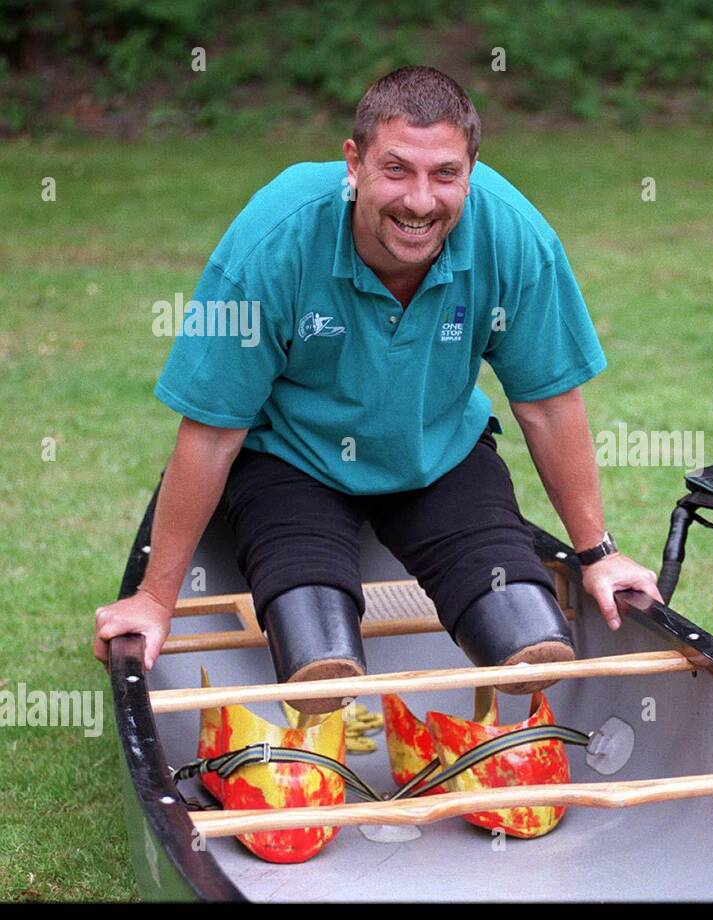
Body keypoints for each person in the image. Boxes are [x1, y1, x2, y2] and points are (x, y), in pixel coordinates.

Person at [93, 66, 661, 708]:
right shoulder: (274, 238)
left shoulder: (513, 234)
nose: (420, 200)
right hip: (293, 460)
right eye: (397, 170)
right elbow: (212, 433)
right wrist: (154, 597)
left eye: (445, 174)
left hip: (436, 453)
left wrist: (598, 553)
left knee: (530, 641)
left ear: (471, 171)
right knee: (317, 657)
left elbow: (549, 406)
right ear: (354, 162)